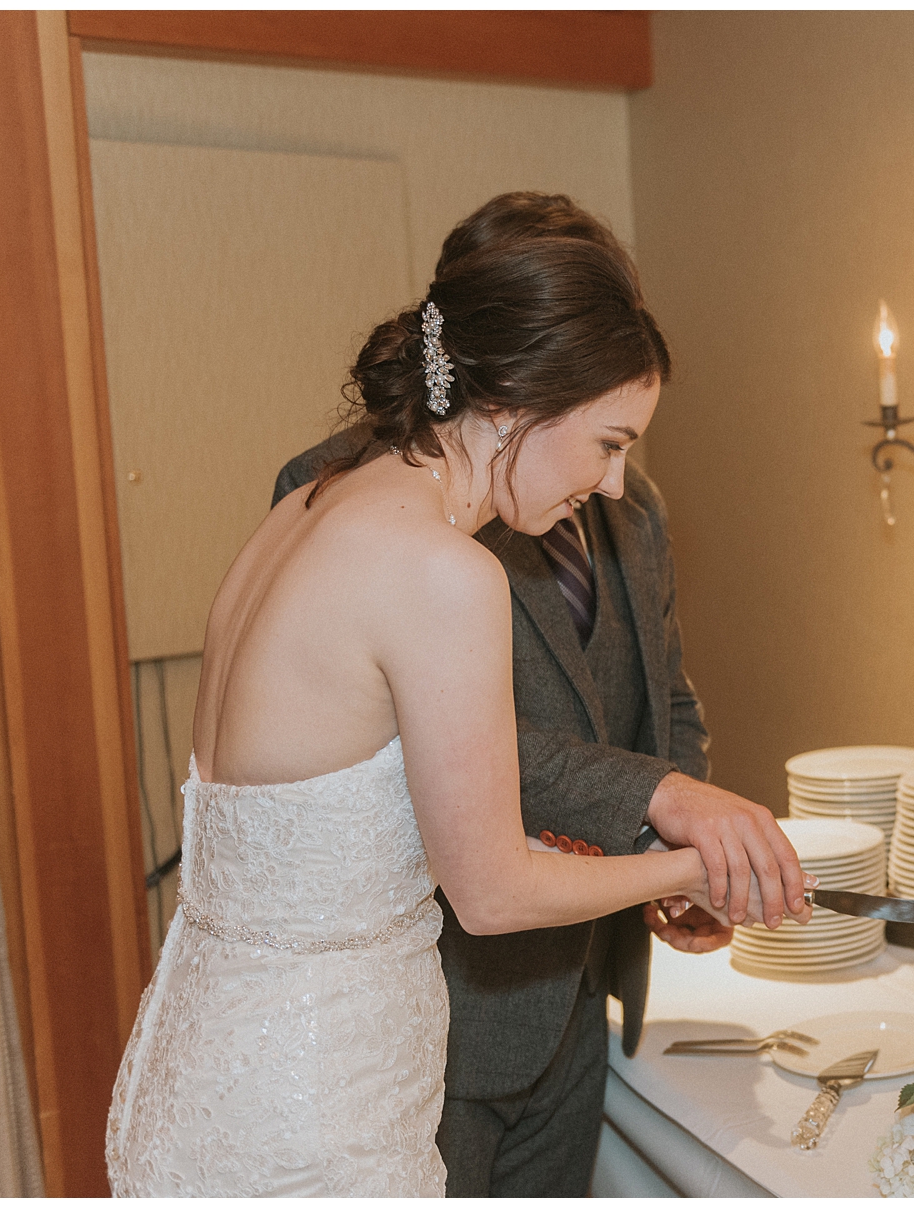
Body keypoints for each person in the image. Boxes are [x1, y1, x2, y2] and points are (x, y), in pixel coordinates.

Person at [105, 212, 810, 1196]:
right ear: (521, 400)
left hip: (204, 1064)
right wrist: (700, 863)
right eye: (607, 441)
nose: (613, 481)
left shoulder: (310, 508)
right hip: (317, 1097)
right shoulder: (442, 569)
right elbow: (491, 891)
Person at [269, 192, 746, 1196]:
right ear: (515, 370)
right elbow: (441, 743)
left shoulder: (631, 509)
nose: (617, 476)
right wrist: (662, 818)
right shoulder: (350, 504)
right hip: (432, 1002)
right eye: (605, 438)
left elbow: (664, 708)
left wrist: (677, 857)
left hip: (574, 993)